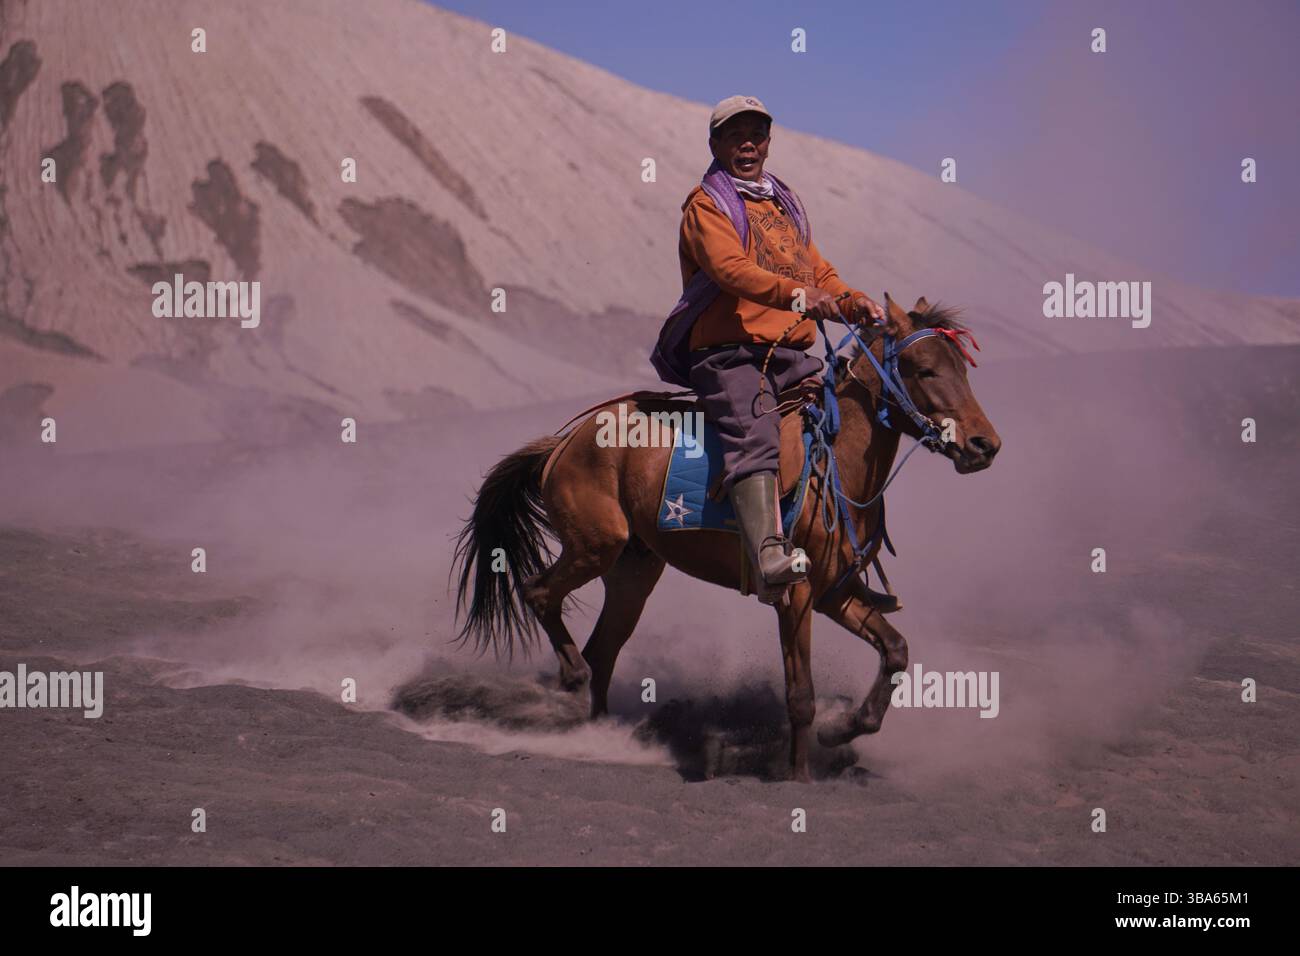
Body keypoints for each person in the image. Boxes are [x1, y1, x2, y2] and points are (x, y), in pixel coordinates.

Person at [664, 95, 883, 601]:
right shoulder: (707, 205)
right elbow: (731, 271)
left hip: (789, 353)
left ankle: (840, 555)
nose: (747, 143)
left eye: (757, 134)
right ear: (715, 143)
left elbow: (817, 271)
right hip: (731, 355)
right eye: (734, 134)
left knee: (840, 422)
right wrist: (804, 297)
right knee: (756, 431)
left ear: (768, 142)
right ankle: (767, 554)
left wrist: (852, 301)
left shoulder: (782, 204)